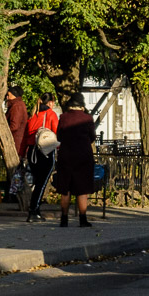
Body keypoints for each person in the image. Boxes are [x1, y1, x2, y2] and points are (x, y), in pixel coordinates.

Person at [53, 92, 96, 227]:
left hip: (66, 156)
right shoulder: (87, 118)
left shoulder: (63, 117)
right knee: (82, 188)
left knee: (65, 188)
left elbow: (59, 136)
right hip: (83, 156)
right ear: (82, 106)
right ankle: (82, 219)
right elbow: (92, 137)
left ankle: (64, 219)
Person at [4, 87, 28, 160]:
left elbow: (14, 126)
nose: (7, 97)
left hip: (16, 141)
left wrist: (4, 132)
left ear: (14, 95)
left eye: (9, 95)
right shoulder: (18, 105)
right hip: (17, 140)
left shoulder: (16, 106)